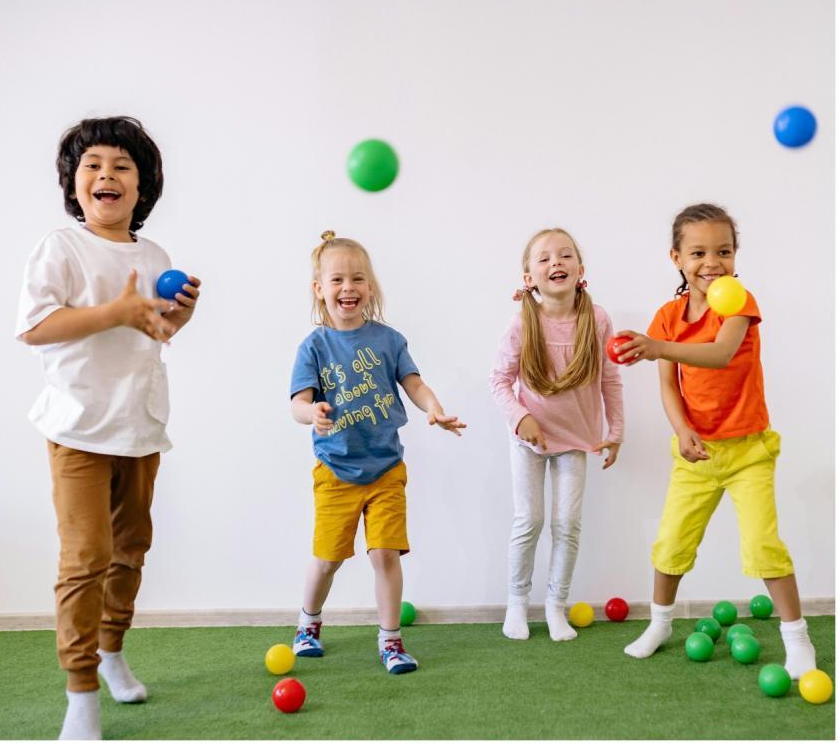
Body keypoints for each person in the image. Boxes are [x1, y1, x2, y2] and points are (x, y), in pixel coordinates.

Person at [15, 116, 202, 739]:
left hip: (140, 426)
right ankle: (81, 692)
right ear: (75, 185)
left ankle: (112, 650)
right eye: (93, 165)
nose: (107, 175)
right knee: (85, 558)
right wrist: (115, 310)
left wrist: (177, 318)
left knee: (129, 551)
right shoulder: (60, 248)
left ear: (142, 188)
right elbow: (36, 327)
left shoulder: (155, 256)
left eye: (122, 167)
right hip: (77, 429)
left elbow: (154, 334)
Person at [614, 203, 816, 678]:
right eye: (699, 252)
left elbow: (721, 355)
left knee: (764, 545)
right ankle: (660, 623)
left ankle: (797, 636)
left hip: (749, 451)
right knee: (670, 543)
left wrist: (656, 346)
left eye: (723, 251)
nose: (712, 262)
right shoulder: (668, 315)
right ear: (676, 258)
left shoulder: (739, 302)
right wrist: (682, 431)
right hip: (697, 452)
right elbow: (668, 385)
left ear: (735, 256)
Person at [289, 231, 465, 674]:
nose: (348, 288)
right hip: (336, 470)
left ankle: (391, 641)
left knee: (385, 554)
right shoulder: (314, 346)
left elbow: (414, 384)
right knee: (327, 559)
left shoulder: (389, 340)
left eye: (358, 279)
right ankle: (308, 624)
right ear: (320, 289)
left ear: (371, 287)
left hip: (387, 469)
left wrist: (434, 408)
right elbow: (296, 404)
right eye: (337, 280)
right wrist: (313, 414)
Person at [489, 227, 624, 641]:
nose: (556, 263)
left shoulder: (597, 319)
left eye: (565, 256)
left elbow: (611, 379)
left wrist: (615, 431)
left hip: (575, 439)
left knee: (567, 523)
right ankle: (517, 603)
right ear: (528, 278)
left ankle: (554, 606)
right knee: (529, 520)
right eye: (544, 259)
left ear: (581, 269)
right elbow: (499, 380)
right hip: (529, 439)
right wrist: (520, 419)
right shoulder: (522, 323)